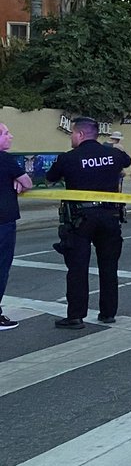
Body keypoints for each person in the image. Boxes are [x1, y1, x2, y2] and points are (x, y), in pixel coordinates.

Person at [47, 116, 131, 329]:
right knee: (109, 266)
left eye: (72, 134)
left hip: (80, 219)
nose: (71, 138)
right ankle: (108, 313)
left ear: (81, 134)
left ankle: (75, 316)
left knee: (77, 268)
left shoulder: (68, 158)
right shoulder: (113, 154)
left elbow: (50, 178)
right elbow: (126, 161)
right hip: (110, 217)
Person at [0, 123, 33, 330]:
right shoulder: (5, 160)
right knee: (1, 268)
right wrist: (19, 182)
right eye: (5, 133)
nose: (10, 136)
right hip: (3, 221)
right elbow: (28, 182)